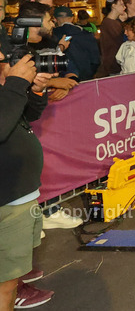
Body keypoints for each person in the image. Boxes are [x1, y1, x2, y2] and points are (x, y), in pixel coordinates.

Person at [0, 51, 56, 310]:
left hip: (20, 197)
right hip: (7, 203)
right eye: (3, 62)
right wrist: (15, 84)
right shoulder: (9, 88)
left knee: (9, 279)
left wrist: (34, 91)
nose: (8, 66)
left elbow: (25, 116)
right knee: (6, 285)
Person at [51, 6, 100, 81]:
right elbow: (95, 60)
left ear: (55, 19)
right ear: (72, 18)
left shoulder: (51, 36)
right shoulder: (86, 35)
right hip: (86, 78)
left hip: (62, 82)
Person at [95, 0, 128, 78]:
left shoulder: (111, 22)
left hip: (114, 62)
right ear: (113, 6)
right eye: (121, 4)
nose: (124, 7)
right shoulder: (109, 23)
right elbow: (120, 39)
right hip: (113, 63)